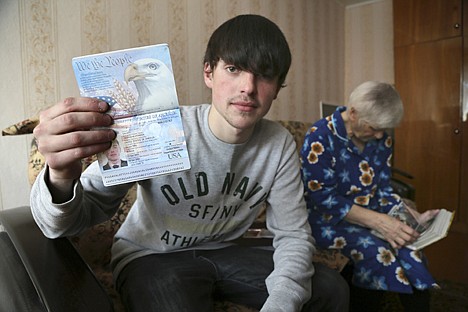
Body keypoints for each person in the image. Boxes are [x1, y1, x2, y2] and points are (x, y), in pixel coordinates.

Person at [30, 14, 349, 312]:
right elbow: (64, 223)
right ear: (208, 73)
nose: (248, 88)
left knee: (329, 287)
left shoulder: (277, 143)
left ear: (278, 88)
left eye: (264, 75)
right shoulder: (158, 128)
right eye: (234, 69)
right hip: (152, 258)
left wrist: (282, 303)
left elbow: (293, 235)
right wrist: (59, 175)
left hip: (227, 251)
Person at [300, 81, 440, 311]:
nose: (379, 135)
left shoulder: (380, 139)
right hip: (326, 221)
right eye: (374, 127)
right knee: (377, 253)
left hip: (370, 216)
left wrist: (412, 216)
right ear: (353, 113)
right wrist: (379, 221)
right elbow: (322, 199)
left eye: (383, 129)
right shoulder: (320, 136)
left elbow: (383, 189)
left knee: (411, 249)